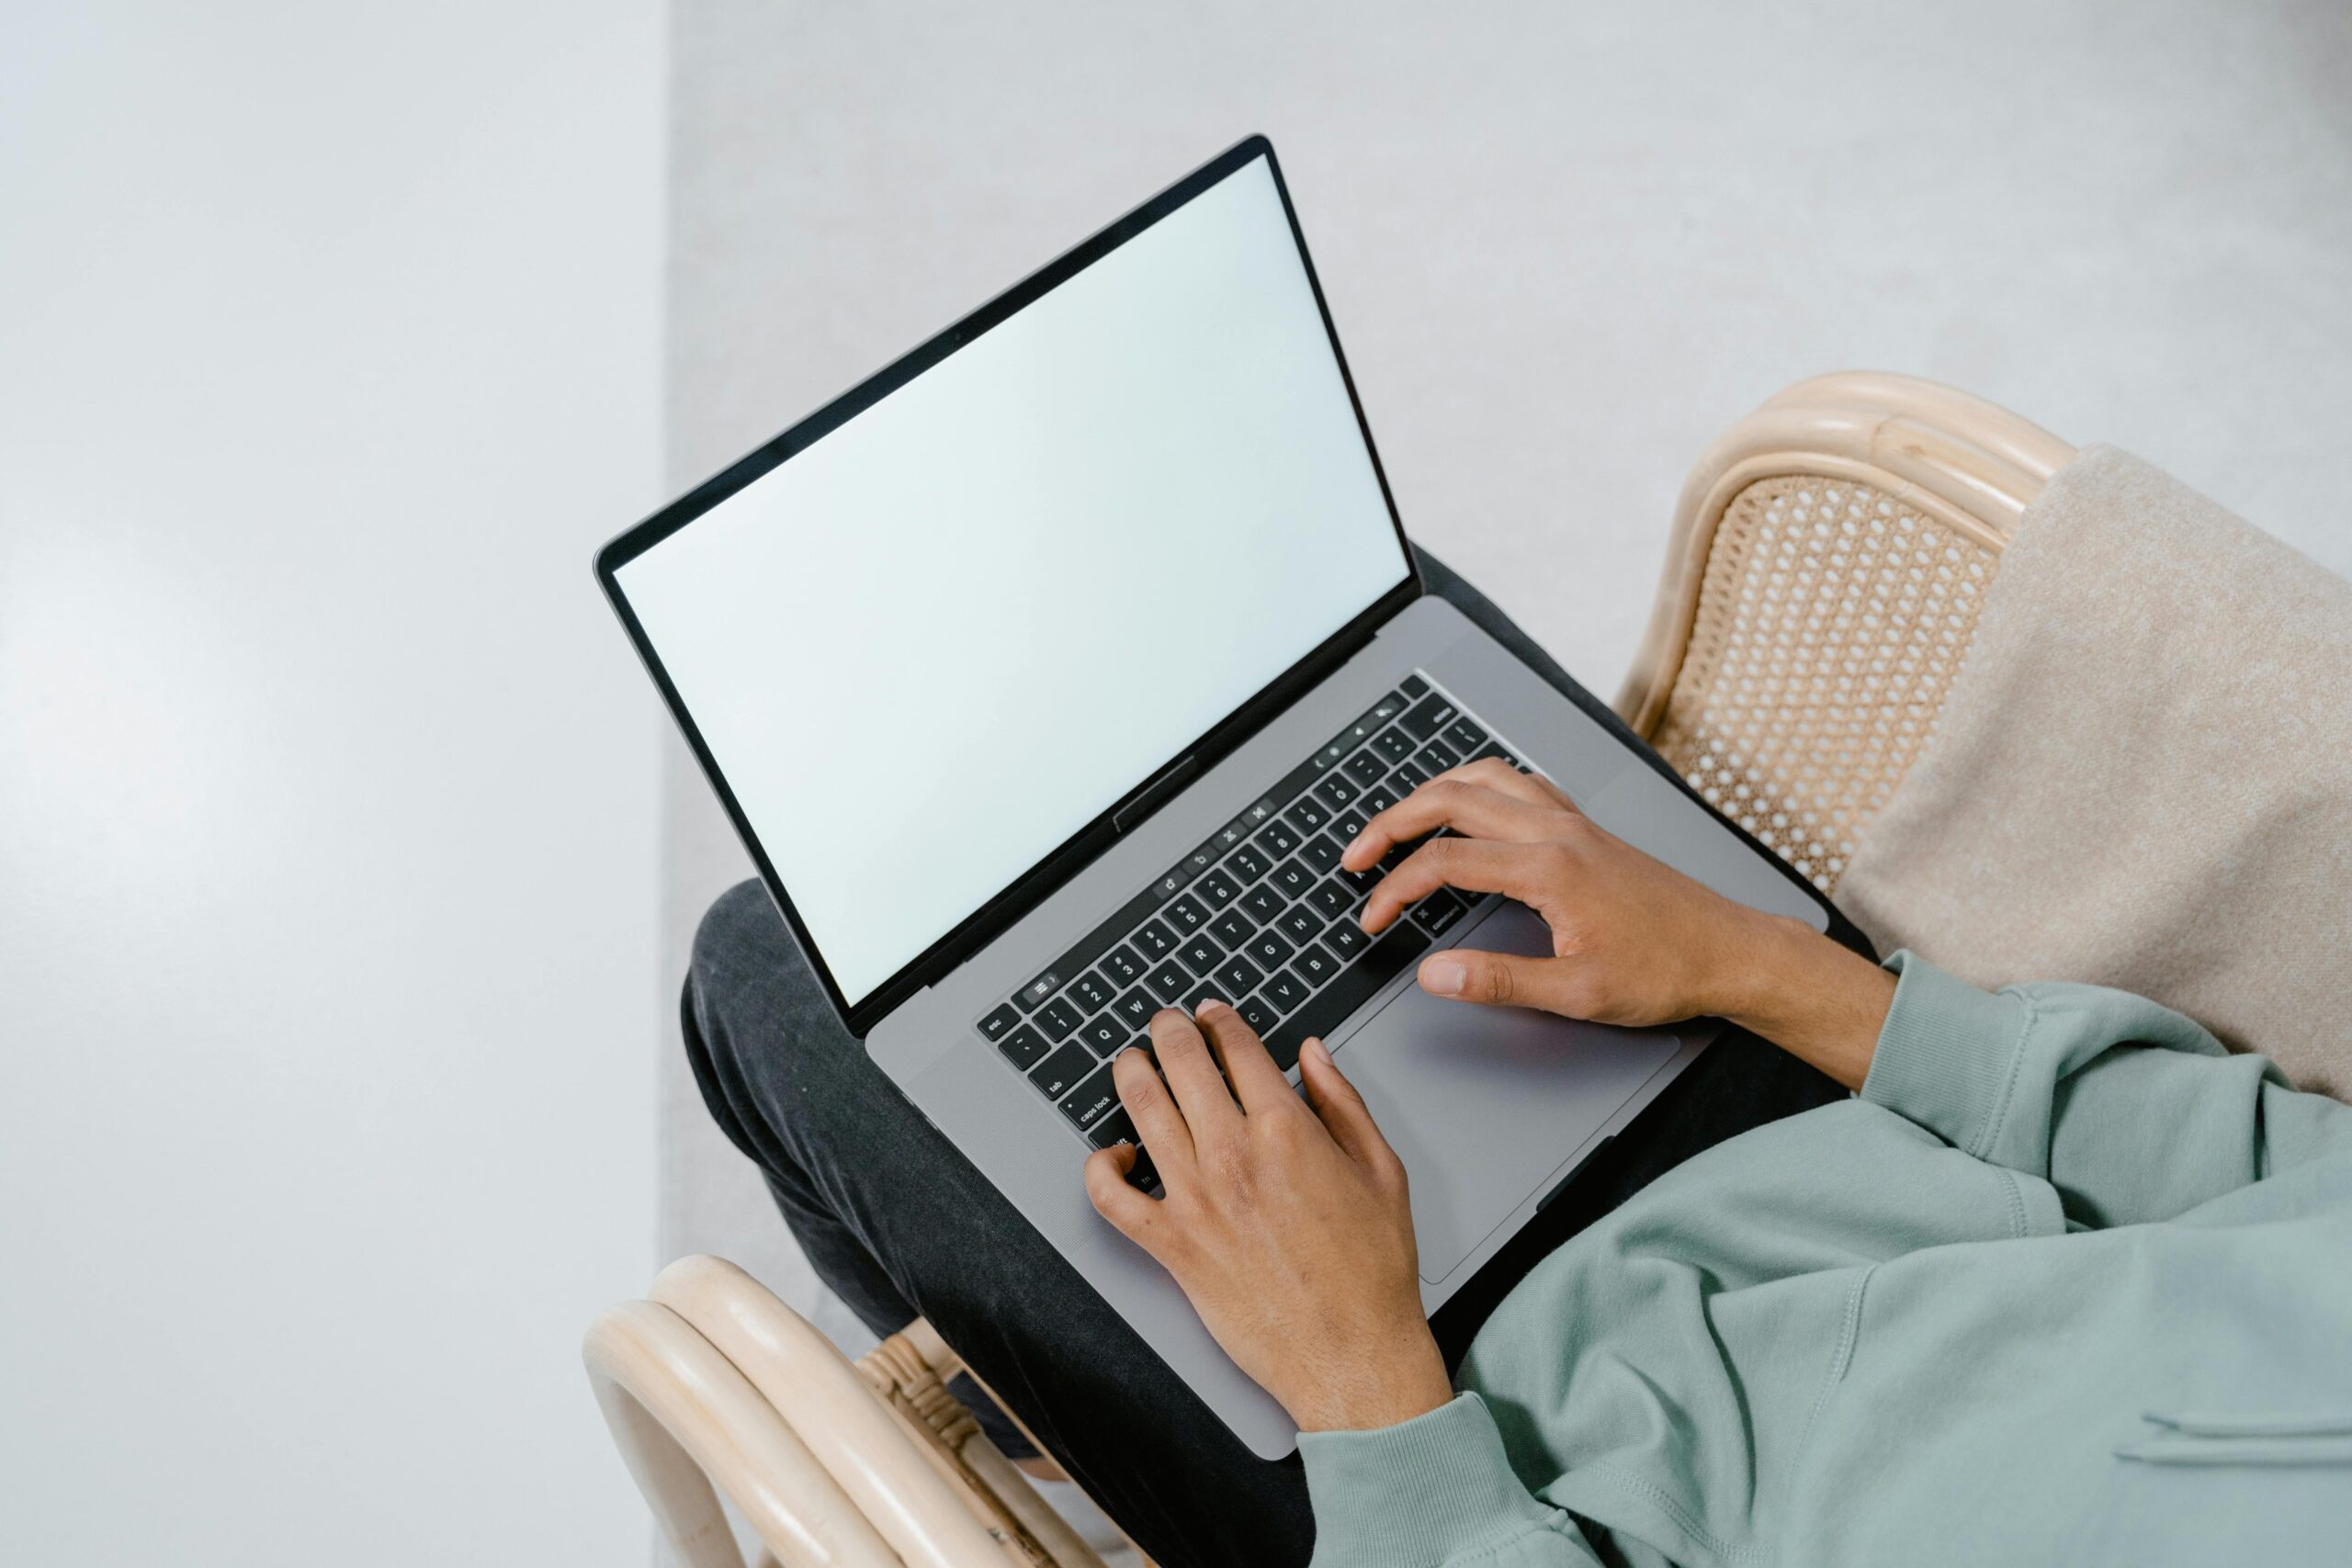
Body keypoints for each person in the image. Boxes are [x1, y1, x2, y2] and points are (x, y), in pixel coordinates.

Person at [682, 561, 2351, 1567]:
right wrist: (1757, 965)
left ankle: (1031, 1414)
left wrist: (1354, 1380)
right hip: (1838, 1134)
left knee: (761, 966)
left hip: (1453, 1471)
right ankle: (1036, 1364)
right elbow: (2254, 1172)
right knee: (1342, 632)